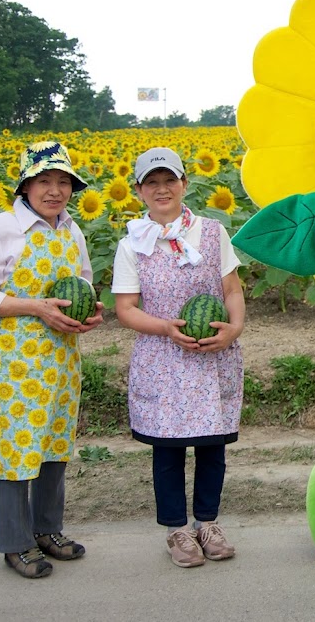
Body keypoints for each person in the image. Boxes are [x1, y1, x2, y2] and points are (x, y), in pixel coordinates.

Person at [0, 141, 104, 578]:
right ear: (25, 185)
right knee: (14, 449)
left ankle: (47, 530)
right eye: (45, 181)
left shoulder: (71, 231)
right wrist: (36, 306)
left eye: (64, 182)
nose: (56, 190)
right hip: (13, 361)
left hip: (60, 357)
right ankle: (15, 543)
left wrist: (89, 313)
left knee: (54, 443)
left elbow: (81, 284)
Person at [112, 147, 245, 568]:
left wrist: (234, 329)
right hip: (162, 358)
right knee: (167, 449)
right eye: (152, 182)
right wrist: (167, 327)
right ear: (139, 190)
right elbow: (126, 309)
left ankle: (208, 523)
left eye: (169, 180)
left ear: (185, 184)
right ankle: (177, 531)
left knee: (212, 446)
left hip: (212, 355)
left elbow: (232, 291)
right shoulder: (131, 244)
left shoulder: (211, 232)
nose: (162, 189)